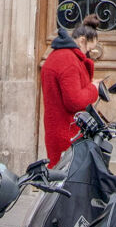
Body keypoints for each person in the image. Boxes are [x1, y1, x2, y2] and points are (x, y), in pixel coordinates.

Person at [39, 21, 101, 164]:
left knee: (60, 176)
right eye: (89, 50)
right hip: (68, 133)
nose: (89, 54)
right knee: (68, 178)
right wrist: (94, 88)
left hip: (59, 129)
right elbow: (74, 101)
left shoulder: (60, 56)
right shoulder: (68, 60)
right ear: (82, 41)